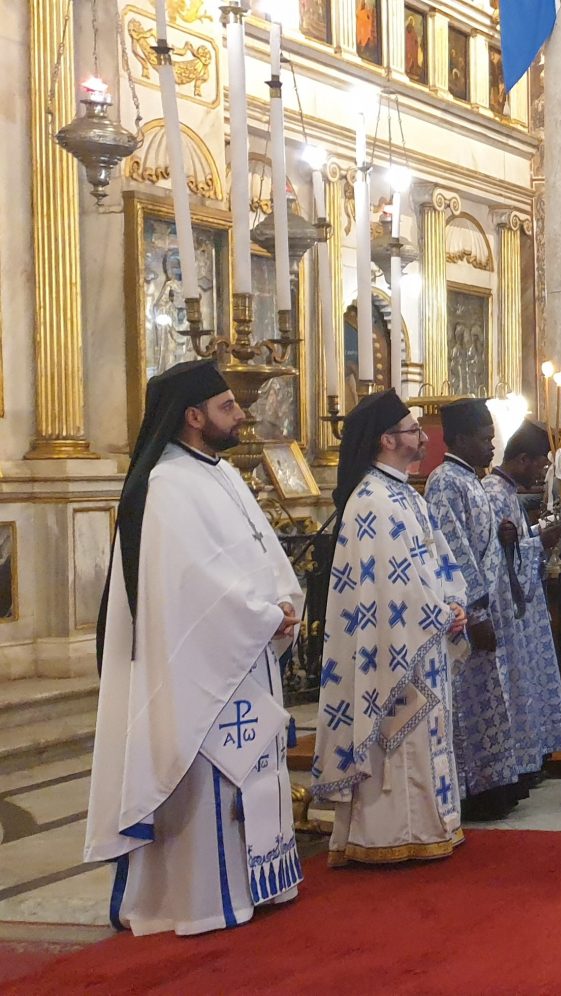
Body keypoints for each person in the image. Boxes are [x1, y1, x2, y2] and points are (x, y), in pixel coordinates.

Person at [85, 360, 304, 936]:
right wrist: (263, 615)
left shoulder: (223, 474)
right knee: (216, 778)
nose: (240, 415)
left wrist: (284, 604)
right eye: (227, 407)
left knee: (253, 772)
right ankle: (203, 898)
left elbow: (264, 553)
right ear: (193, 416)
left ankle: (262, 881)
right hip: (202, 665)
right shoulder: (166, 485)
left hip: (248, 650)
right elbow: (191, 586)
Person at [310, 391, 470, 867]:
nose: (424, 437)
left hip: (422, 639)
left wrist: (454, 600)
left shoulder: (404, 493)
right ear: (387, 439)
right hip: (392, 647)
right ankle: (390, 836)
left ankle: (430, 827)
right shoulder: (373, 501)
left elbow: (437, 560)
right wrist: (441, 612)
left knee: (423, 738)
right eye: (413, 430)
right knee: (400, 739)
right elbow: (388, 587)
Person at [425, 399, 523, 822]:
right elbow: (453, 552)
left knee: (491, 701)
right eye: (485, 439)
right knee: (470, 705)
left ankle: (496, 785)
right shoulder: (444, 482)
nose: (492, 446)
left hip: (488, 607)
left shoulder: (472, 480)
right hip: (467, 616)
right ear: (460, 438)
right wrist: (478, 614)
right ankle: (473, 790)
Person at [486, 421, 561, 781]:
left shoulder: (507, 492)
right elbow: (494, 557)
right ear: (523, 459)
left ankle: (534, 755)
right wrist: (540, 543)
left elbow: (513, 543)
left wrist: (537, 533)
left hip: (525, 608)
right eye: (540, 464)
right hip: (508, 611)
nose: (541, 472)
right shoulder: (493, 494)